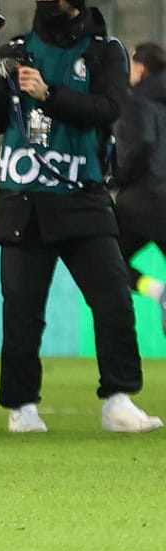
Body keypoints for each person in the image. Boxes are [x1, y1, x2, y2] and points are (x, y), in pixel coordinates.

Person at [0, 0, 160, 434]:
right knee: (22, 310)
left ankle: (118, 400)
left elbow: (109, 108)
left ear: (74, 1)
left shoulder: (105, 51)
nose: (40, 4)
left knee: (114, 298)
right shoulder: (17, 48)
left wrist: (48, 94)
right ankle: (22, 407)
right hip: (23, 196)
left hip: (82, 192)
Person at [114, 41, 166, 334]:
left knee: (108, 261)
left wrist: (117, 177)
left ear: (142, 68)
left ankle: (158, 291)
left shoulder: (136, 100)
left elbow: (143, 144)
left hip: (143, 201)